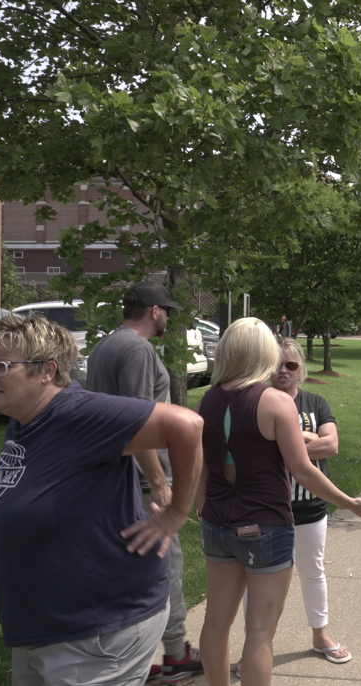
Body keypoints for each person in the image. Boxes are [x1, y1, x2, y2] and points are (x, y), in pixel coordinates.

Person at [0, 314, 203, 685]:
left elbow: (186, 425)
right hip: (44, 630)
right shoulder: (25, 421)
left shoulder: (80, 413)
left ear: (46, 371)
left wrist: (176, 511)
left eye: (0, 366)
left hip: (97, 633)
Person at [196, 317, 361, 686]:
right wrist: (348, 503)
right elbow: (304, 471)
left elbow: (201, 470)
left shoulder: (208, 400)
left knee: (216, 622)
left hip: (217, 523)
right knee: (260, 632)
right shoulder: (276, 403)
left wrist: (203, 508)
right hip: (266, 526)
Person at [84, 281, 204, 684]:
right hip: (138, 482)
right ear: (154, 311)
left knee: (130, 567)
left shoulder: (105, 346)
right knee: (164, 564)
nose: (168, 317)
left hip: (111, 477)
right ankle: (175, 655)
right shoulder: (137, 350)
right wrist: (160, 481)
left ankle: (133, 656)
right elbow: (137, 422)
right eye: (166, 311)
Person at [271, 338, 351, 664]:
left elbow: (331, 446)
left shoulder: (315, 403)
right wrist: (307, 440)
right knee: (262, 580)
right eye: (277, 364)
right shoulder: (259, 402)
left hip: (310, 506)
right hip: (270, 507)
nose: (283, 371)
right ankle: (257, 646)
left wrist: (286, 446)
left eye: (290, 365)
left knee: (312, 571)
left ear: (300, 369)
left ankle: (320, 636)